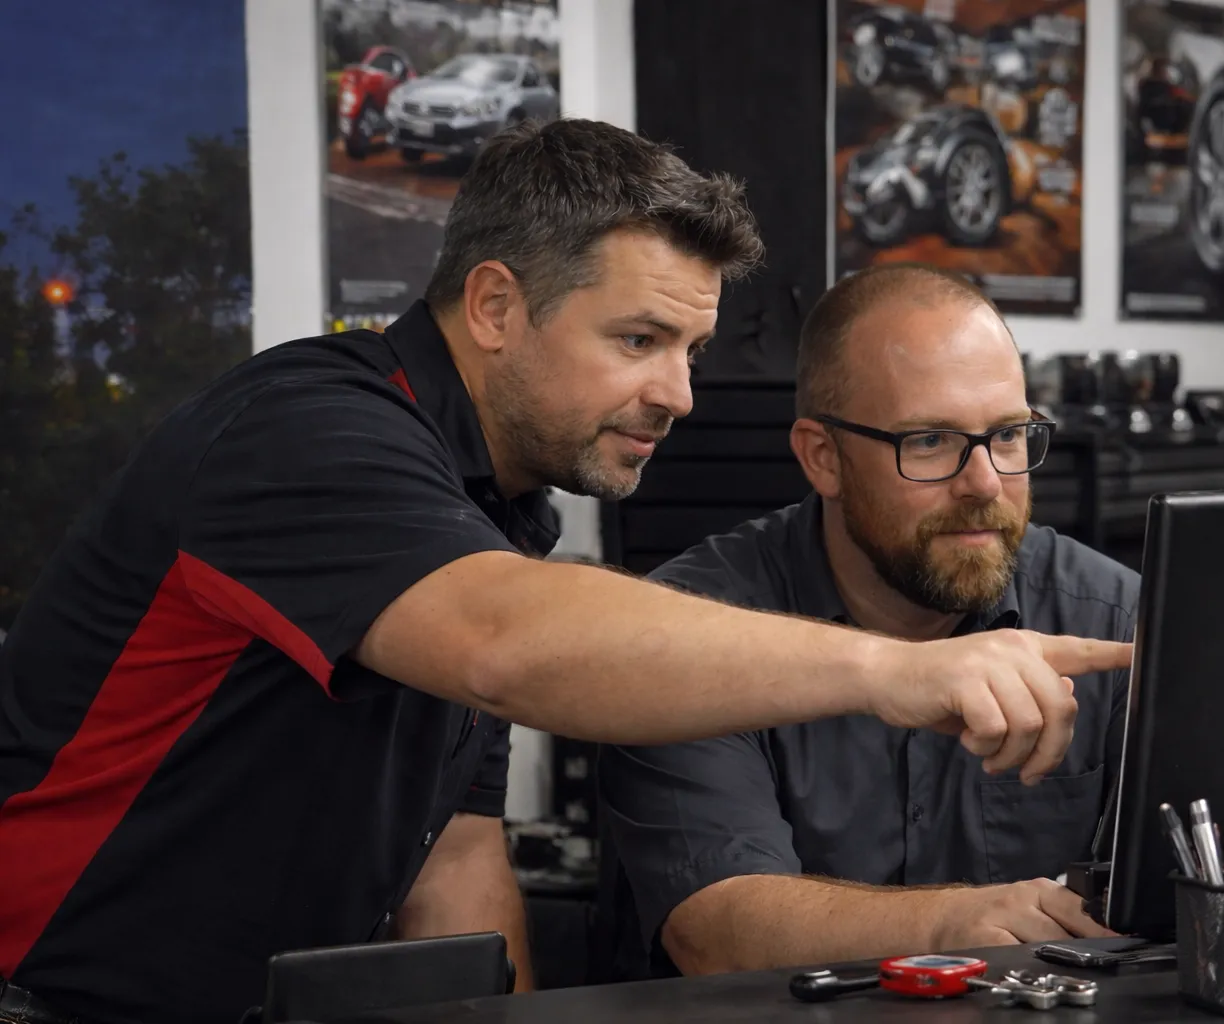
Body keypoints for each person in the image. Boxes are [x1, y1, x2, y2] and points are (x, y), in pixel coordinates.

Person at [0, 122, 1130, 1024]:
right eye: (639, 341)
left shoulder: (502, 512)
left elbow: (452, 850)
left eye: (689, 351)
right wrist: (898, 673)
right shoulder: (305, 433)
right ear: (494, 307)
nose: (681, 395)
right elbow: (508, 645)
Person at [599, 264, 1141, 980]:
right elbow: (714, 931)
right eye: (928, 442)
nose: (983, 483)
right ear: (822, 458)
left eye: (1008, 436)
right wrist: (954, 922)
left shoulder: (1114, 622)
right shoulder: (688, 634)